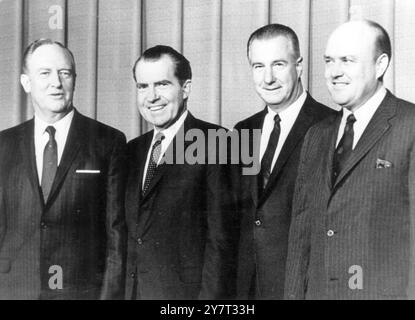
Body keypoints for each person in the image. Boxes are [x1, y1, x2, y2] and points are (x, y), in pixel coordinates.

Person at [285, 19, 415, 300]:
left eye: (348, 60)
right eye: (329, 61)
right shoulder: (316, 135)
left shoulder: (410, 126)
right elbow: (301, 239)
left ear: (380, 65)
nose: (334, 72)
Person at [0, 39, 127, 300]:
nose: (56, 83)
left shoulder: (108, 141)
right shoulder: (3, 144)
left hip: (81, 292)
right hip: (14, 290)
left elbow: (116, 235)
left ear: (75, 80)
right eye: (44, 73)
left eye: (64, 73)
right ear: (26, 82)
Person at [125, 45, 237, 300]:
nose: (151, 96)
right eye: (143, 86)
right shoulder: (131, 150)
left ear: (185, 88)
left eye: (162, 84)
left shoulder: (217, 141)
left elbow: (220, 242)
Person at [234, 24, 336, 300]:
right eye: (258, 66)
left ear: (299, 66)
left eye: (278, 64)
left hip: (302, 288)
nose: (268, 78)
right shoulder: (242, 131)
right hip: (246, 289)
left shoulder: (332, 127)